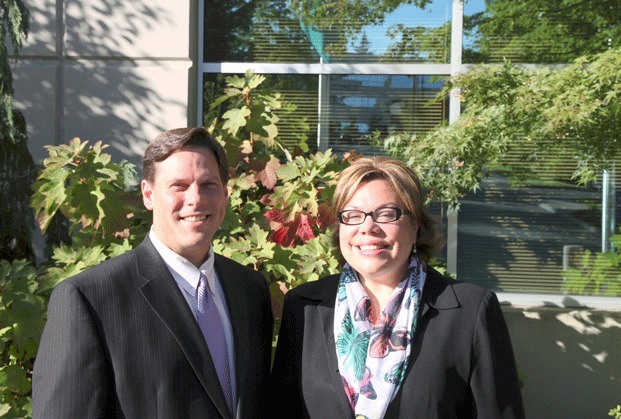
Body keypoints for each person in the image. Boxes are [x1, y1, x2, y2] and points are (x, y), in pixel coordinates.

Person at [33, 127, 273, 418]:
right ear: (148, 194)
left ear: (225, 194)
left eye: (208, 184)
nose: (195, 199)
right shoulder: (89, 298)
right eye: (179, 186)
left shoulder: (249, 289)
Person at [271, 155, 525, 418]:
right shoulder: (304, 308)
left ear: (415, 225)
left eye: (386, 214)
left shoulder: (470, 312)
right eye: (353, 215)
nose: (368, 228)